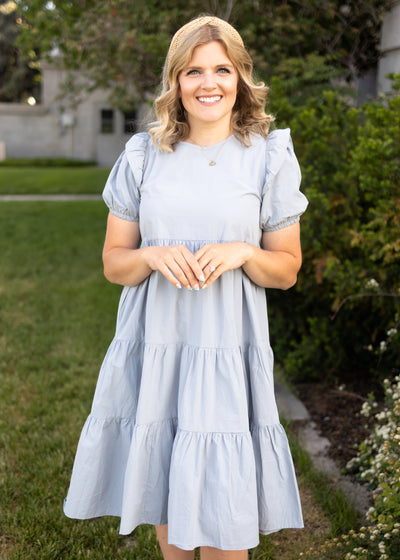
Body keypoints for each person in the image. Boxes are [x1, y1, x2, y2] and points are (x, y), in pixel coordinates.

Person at [64, 15, 308, 560]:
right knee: (166, 498)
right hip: (159, 345)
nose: (208, 83)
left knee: (223, 515)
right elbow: (113, 263)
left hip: (226, 348)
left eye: (222, 69)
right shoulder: (144, 155)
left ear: (242, 76)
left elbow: (287, 269)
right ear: (175, 81)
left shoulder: (268, 157)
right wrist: (149, 255)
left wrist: (245, 253)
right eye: (193, 71)